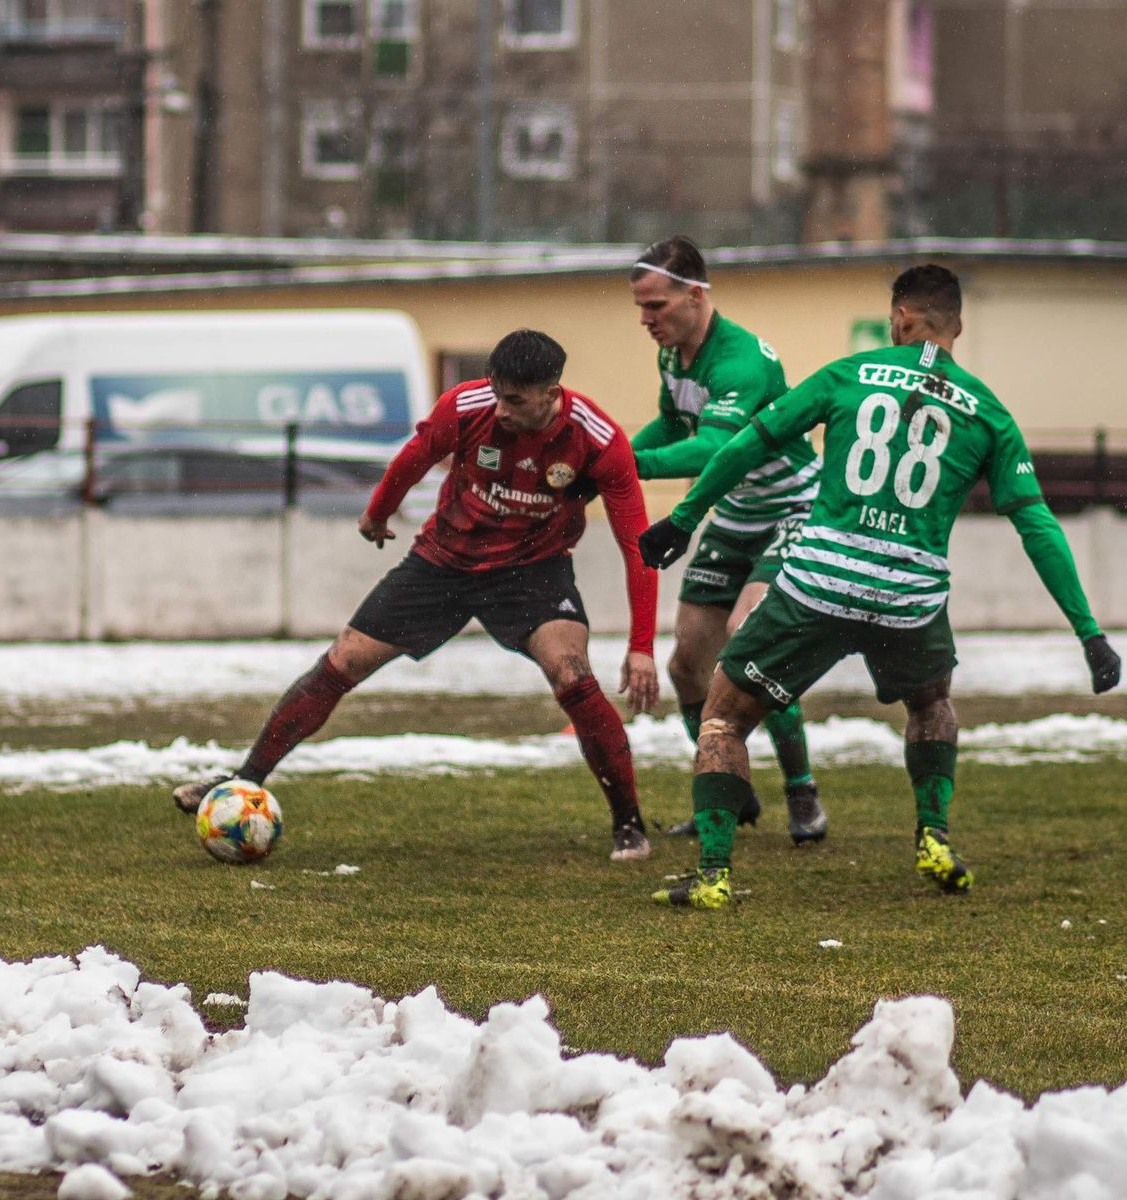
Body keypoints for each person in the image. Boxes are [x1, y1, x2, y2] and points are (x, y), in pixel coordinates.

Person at [638, 263, 1122, 908]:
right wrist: (1089, 632)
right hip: (910, 598)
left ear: (899, 318)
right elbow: (1036, 525)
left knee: (723, 718)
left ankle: (715, 876)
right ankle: (934, 836)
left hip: (820, 583)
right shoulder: (988, 410)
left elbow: (750, 445)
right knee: (930, 706)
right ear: (958, 325)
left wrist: (685, 515)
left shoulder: (848, 374)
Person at [173, 328, 661, 861]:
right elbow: (416, 455)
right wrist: (378, 512)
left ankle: (628, 824)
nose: (500, 410)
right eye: (497, 394)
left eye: (515, 400)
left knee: (572, 673)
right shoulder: (467, 406)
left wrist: (641, 646)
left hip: (532, 572)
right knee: (342, 661)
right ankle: (244, 781)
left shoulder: (598, 440)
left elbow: (638, 546)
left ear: (551, 393)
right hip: (443, 563)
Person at [628, 235, 827, 844]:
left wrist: (625, 468)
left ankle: (802, 792)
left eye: (656, 306)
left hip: (792, 508)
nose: (646, 320)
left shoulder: (742, 361)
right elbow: (674, 423)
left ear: (696, 294)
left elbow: (717, 449)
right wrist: (616, 455)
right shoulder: (673, 356)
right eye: (640, 307)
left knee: (749, 645)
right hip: (736, 512)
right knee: (688, 665)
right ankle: (730, 790)